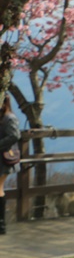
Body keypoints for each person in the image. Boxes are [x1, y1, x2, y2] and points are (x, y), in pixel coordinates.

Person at [0, 94, 20, 235]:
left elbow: (15, 135)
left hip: (4, 158)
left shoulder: (9, 118)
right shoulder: (3, 117)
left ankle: (1, 225)